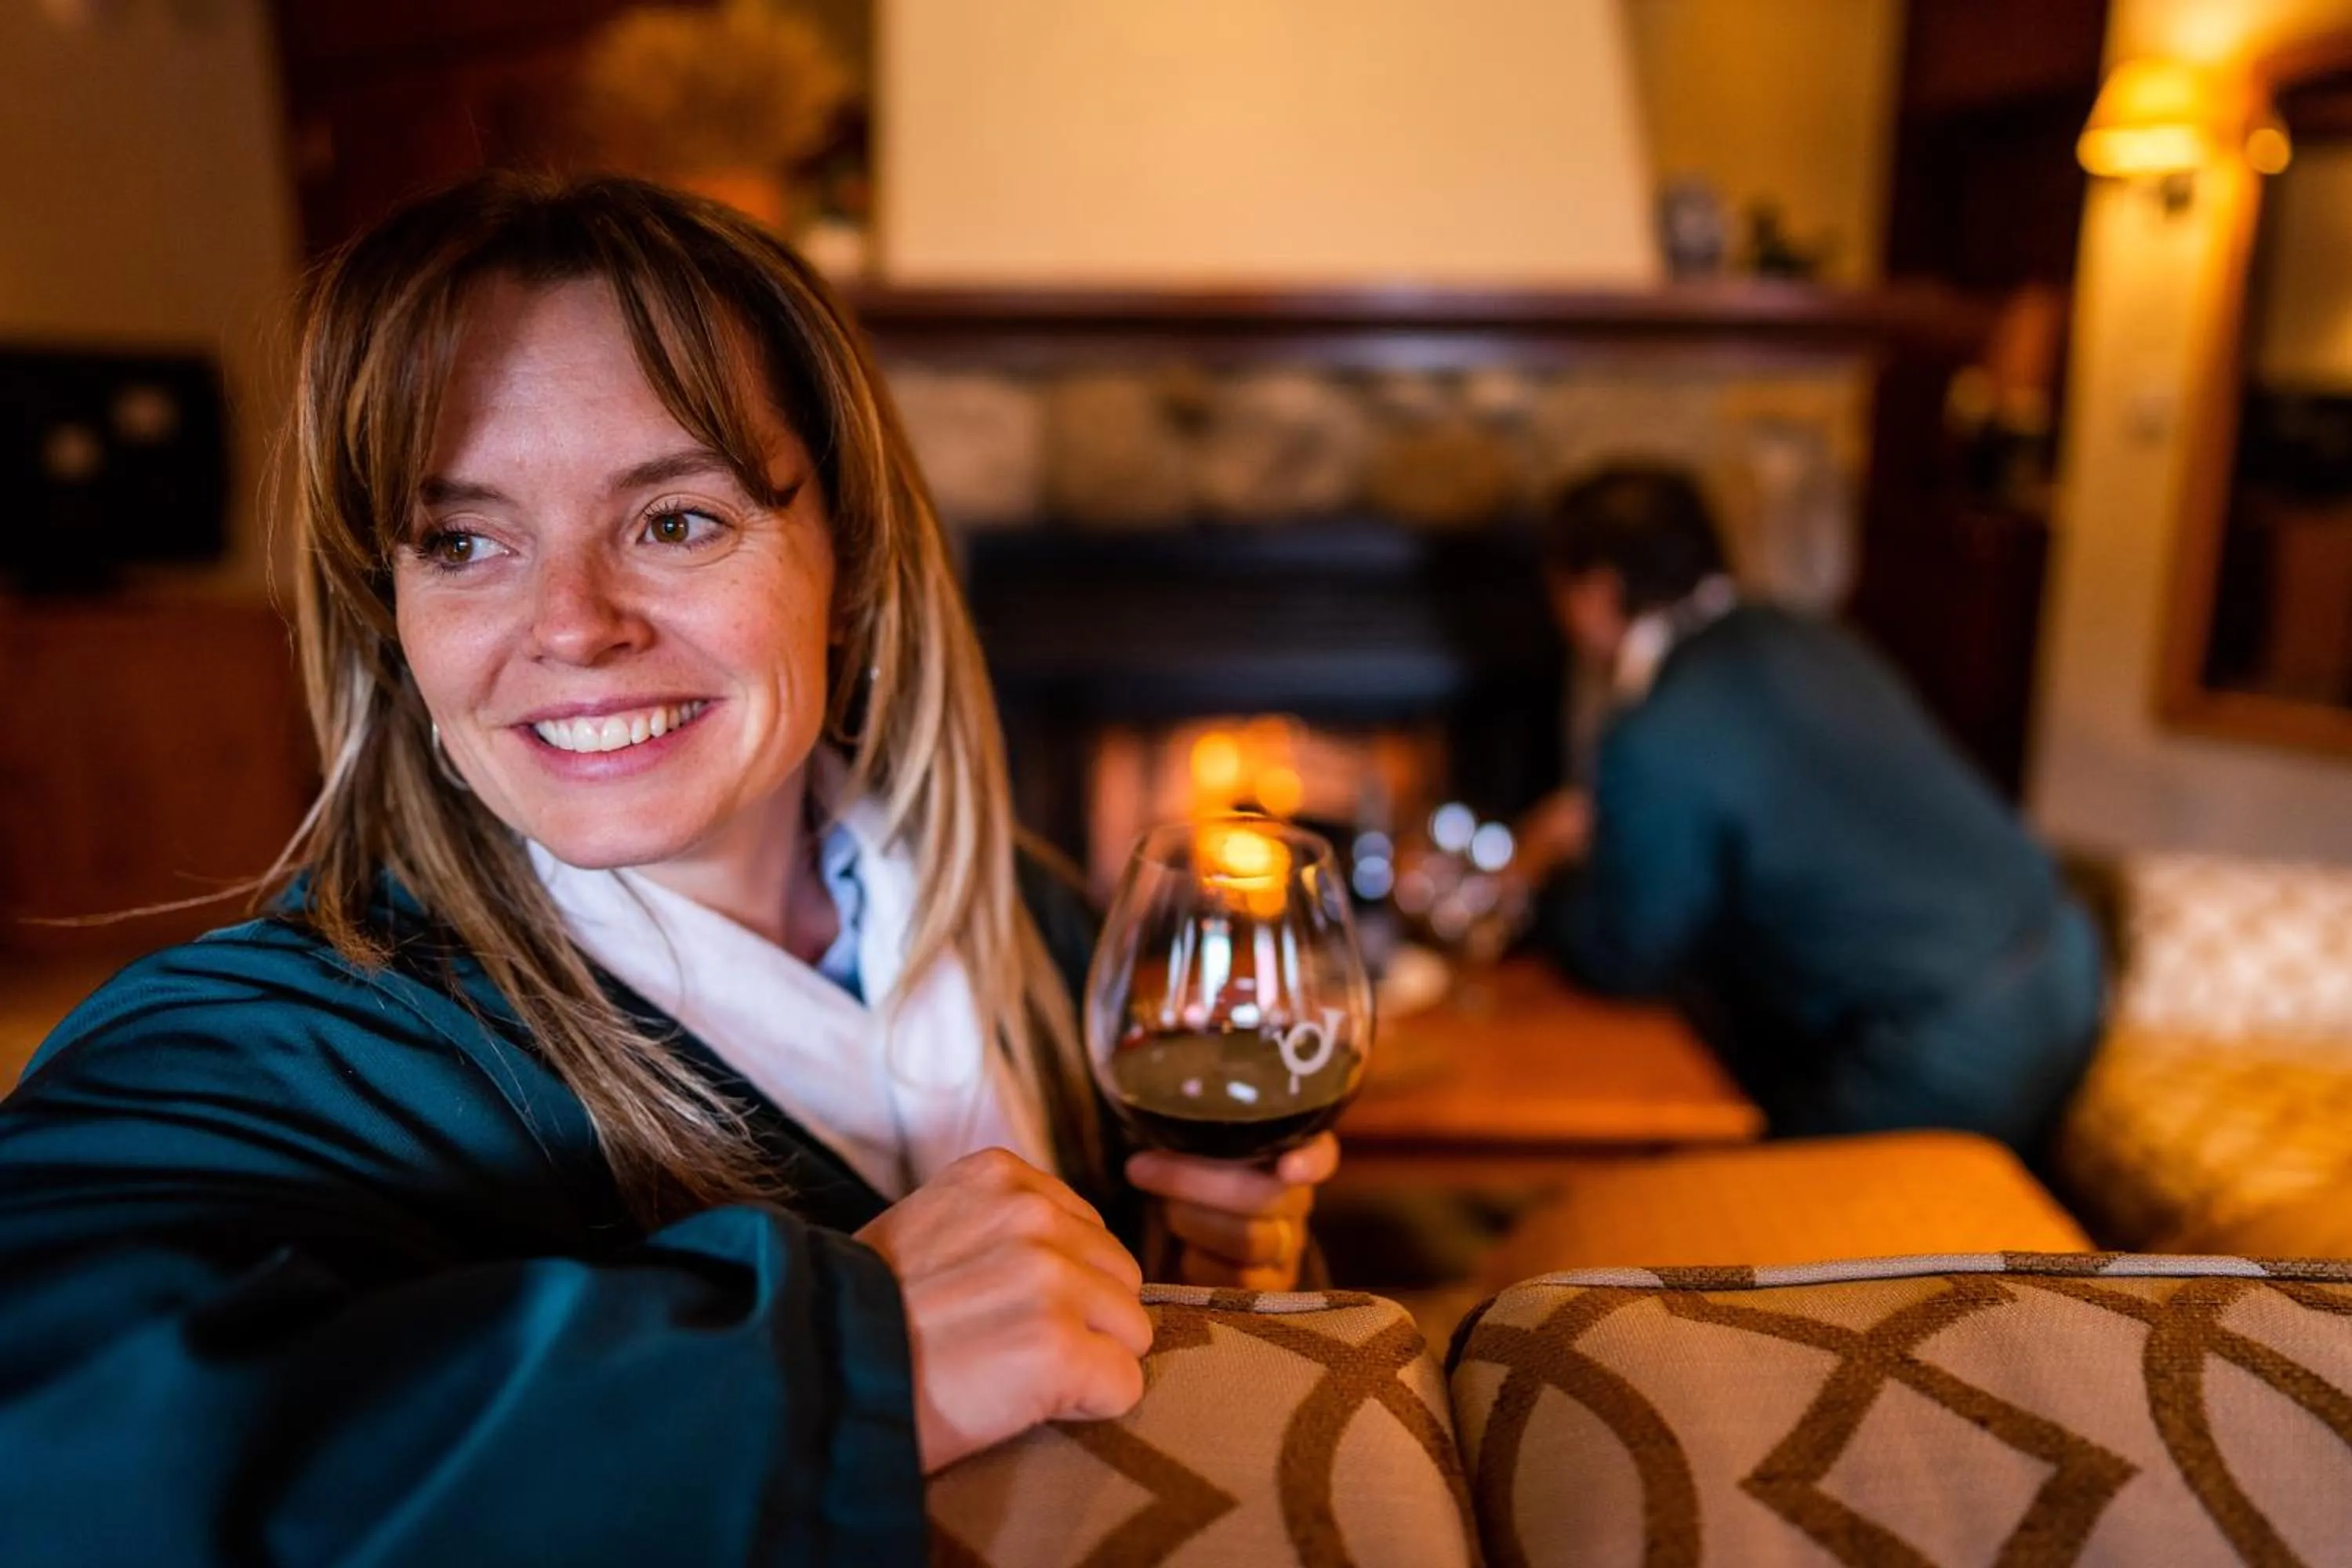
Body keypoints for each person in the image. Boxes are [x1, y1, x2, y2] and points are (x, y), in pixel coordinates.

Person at [0, 173, 1336, 1566]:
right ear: (391, 618)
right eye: (462, 541)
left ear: (853, 561)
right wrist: (824, 1369)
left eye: (676, 520)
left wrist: (1198, 1295)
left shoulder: (1047, 927)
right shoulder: (304, 1040)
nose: (571, 626)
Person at [1514, 463, 2102, 1159]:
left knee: (1734, 1206)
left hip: (1956, 1040)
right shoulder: (1814, 638)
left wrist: (1544, 875)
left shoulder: (1656, 731)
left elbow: (1627, 958)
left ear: (1597, 591)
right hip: (2068, 967)